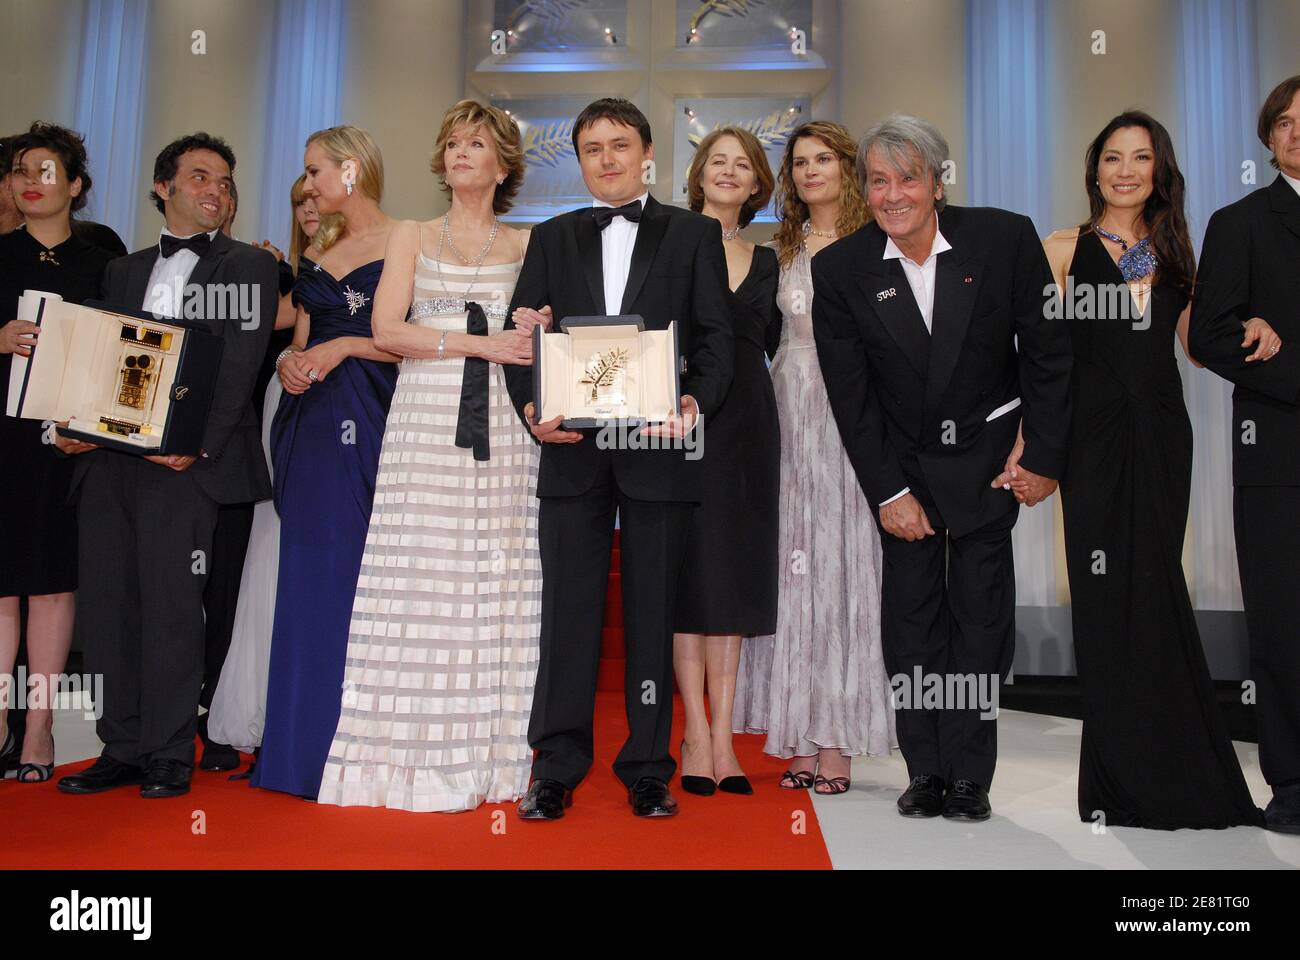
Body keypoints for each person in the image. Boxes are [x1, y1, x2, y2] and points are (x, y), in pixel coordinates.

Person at [812, 115, 1072, 822]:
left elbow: (1047, 352)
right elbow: (851, 395)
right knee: (913, 625)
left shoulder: (1003, 237)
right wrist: (888, 491)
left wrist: (1042, 454)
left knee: (981, 623)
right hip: (904, 472)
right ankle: (924, 768)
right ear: (866, 190)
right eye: (879, 180)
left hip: (990, 464)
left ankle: (969, 775)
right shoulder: (839, 269)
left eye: (909, 178)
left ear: (936, 181)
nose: (894, 194)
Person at [502, 97, 733, 820]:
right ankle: (557, 767)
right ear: (578, 160)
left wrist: (693, 406)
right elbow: (523, 339)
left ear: (646, 153)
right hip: (571, 452)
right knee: (568, 614)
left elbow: (717, 339)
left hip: (657, 450)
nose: (606, 158)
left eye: (619, 144)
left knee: (650, 615)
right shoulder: (551, 236)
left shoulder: (693, 233)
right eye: (592, 147)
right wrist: (532, 411)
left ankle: (647, 767)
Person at [318, 100, 543, 812]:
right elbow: (386, 331)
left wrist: (535, 328)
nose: (459, 153)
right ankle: (399, 757)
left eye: (475, 143)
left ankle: (493, 753)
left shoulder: (530, 244)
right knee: (421, 571)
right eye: (451, 143)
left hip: (504, 427)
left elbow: (539, 342)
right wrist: (479, 342)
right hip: (424, 420)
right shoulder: (412, 234)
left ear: (502, 163)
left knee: (496, 575)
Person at [1041, 112, 1263, 830]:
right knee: (1105, 601)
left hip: (1164, 433)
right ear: (1095, 168)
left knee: (1157, 588)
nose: (1126, 170)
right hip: (1093, 438)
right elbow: (1039, 358)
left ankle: (1173, 771)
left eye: (1141, 158)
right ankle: (1116, 782)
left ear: (1159, 169)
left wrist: (1253, 326)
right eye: (1113, 157)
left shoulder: (1171, 251)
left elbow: (1199, 346)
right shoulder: (1063, 248)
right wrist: (1029, 442)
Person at [54, 132, 277, 799]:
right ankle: (119, 744)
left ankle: (169, 751)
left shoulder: (248, 266)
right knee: (108, 606)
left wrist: (197, 444)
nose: (217, 191)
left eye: (227, 182)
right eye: (202, 177)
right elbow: (101, 357)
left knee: (175, 608)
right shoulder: (123, 268)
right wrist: (73, 426)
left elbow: (238, 366)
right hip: (109, 462)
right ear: (165, 187)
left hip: (184, 466)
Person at [734, 121, 896, 795]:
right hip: (787, 412)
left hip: (853, 414)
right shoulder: (780, 248)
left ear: (846, 166)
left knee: (845, 569)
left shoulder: (877, 246)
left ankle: (837, 744)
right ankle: (796, 737)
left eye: (822, 159)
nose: (808, 171)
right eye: (799, 162)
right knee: (793, 569)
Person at [252, 126, 400, 799]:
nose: (307, 186)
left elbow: (415, 345)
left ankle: (365, 751)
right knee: (310, 576)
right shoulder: (322, 248)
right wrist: (290, 362)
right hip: (311, 425)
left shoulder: (407, 240)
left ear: (352, 168)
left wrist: (344, 351)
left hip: (380, 418)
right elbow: (307, 336)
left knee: (367, 581)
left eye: (315, 171)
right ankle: (300, 753)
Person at [1189, 74, 1300, 835]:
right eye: (1285, 122)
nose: (1297, 131)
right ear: (1268, 137)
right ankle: (1292, 786)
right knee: (1285, 622)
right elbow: (1207, 335)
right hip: (1278, 454)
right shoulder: (1240, 222)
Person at [0, 123, 123, 782]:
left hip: (68, 442)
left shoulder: (104, 263)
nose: (31, 181)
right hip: (1, 437)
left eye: (47, 170)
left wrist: (90, 425)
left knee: (52, 585)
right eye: (22, 169)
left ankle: (40, 727)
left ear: (74, 186)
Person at [672, 127, 779, 798]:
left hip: (750, 426)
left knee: (734, 576)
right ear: (699, 173)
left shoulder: (767, 260)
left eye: (743, 164)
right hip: (684, 419)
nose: (730, 172)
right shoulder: (673, 245)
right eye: (719, 162)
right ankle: (696, 733)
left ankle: (726, 733)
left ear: (758, 181)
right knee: (690, 574)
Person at [208, 175, 324, 763]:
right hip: (283, 408)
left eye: (317, 195)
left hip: (345, 409)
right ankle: (260, 705)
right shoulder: (275, 272)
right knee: (268, 555)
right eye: (298, 200)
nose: (310, 208)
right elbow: (254, 330)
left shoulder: (373, 260)